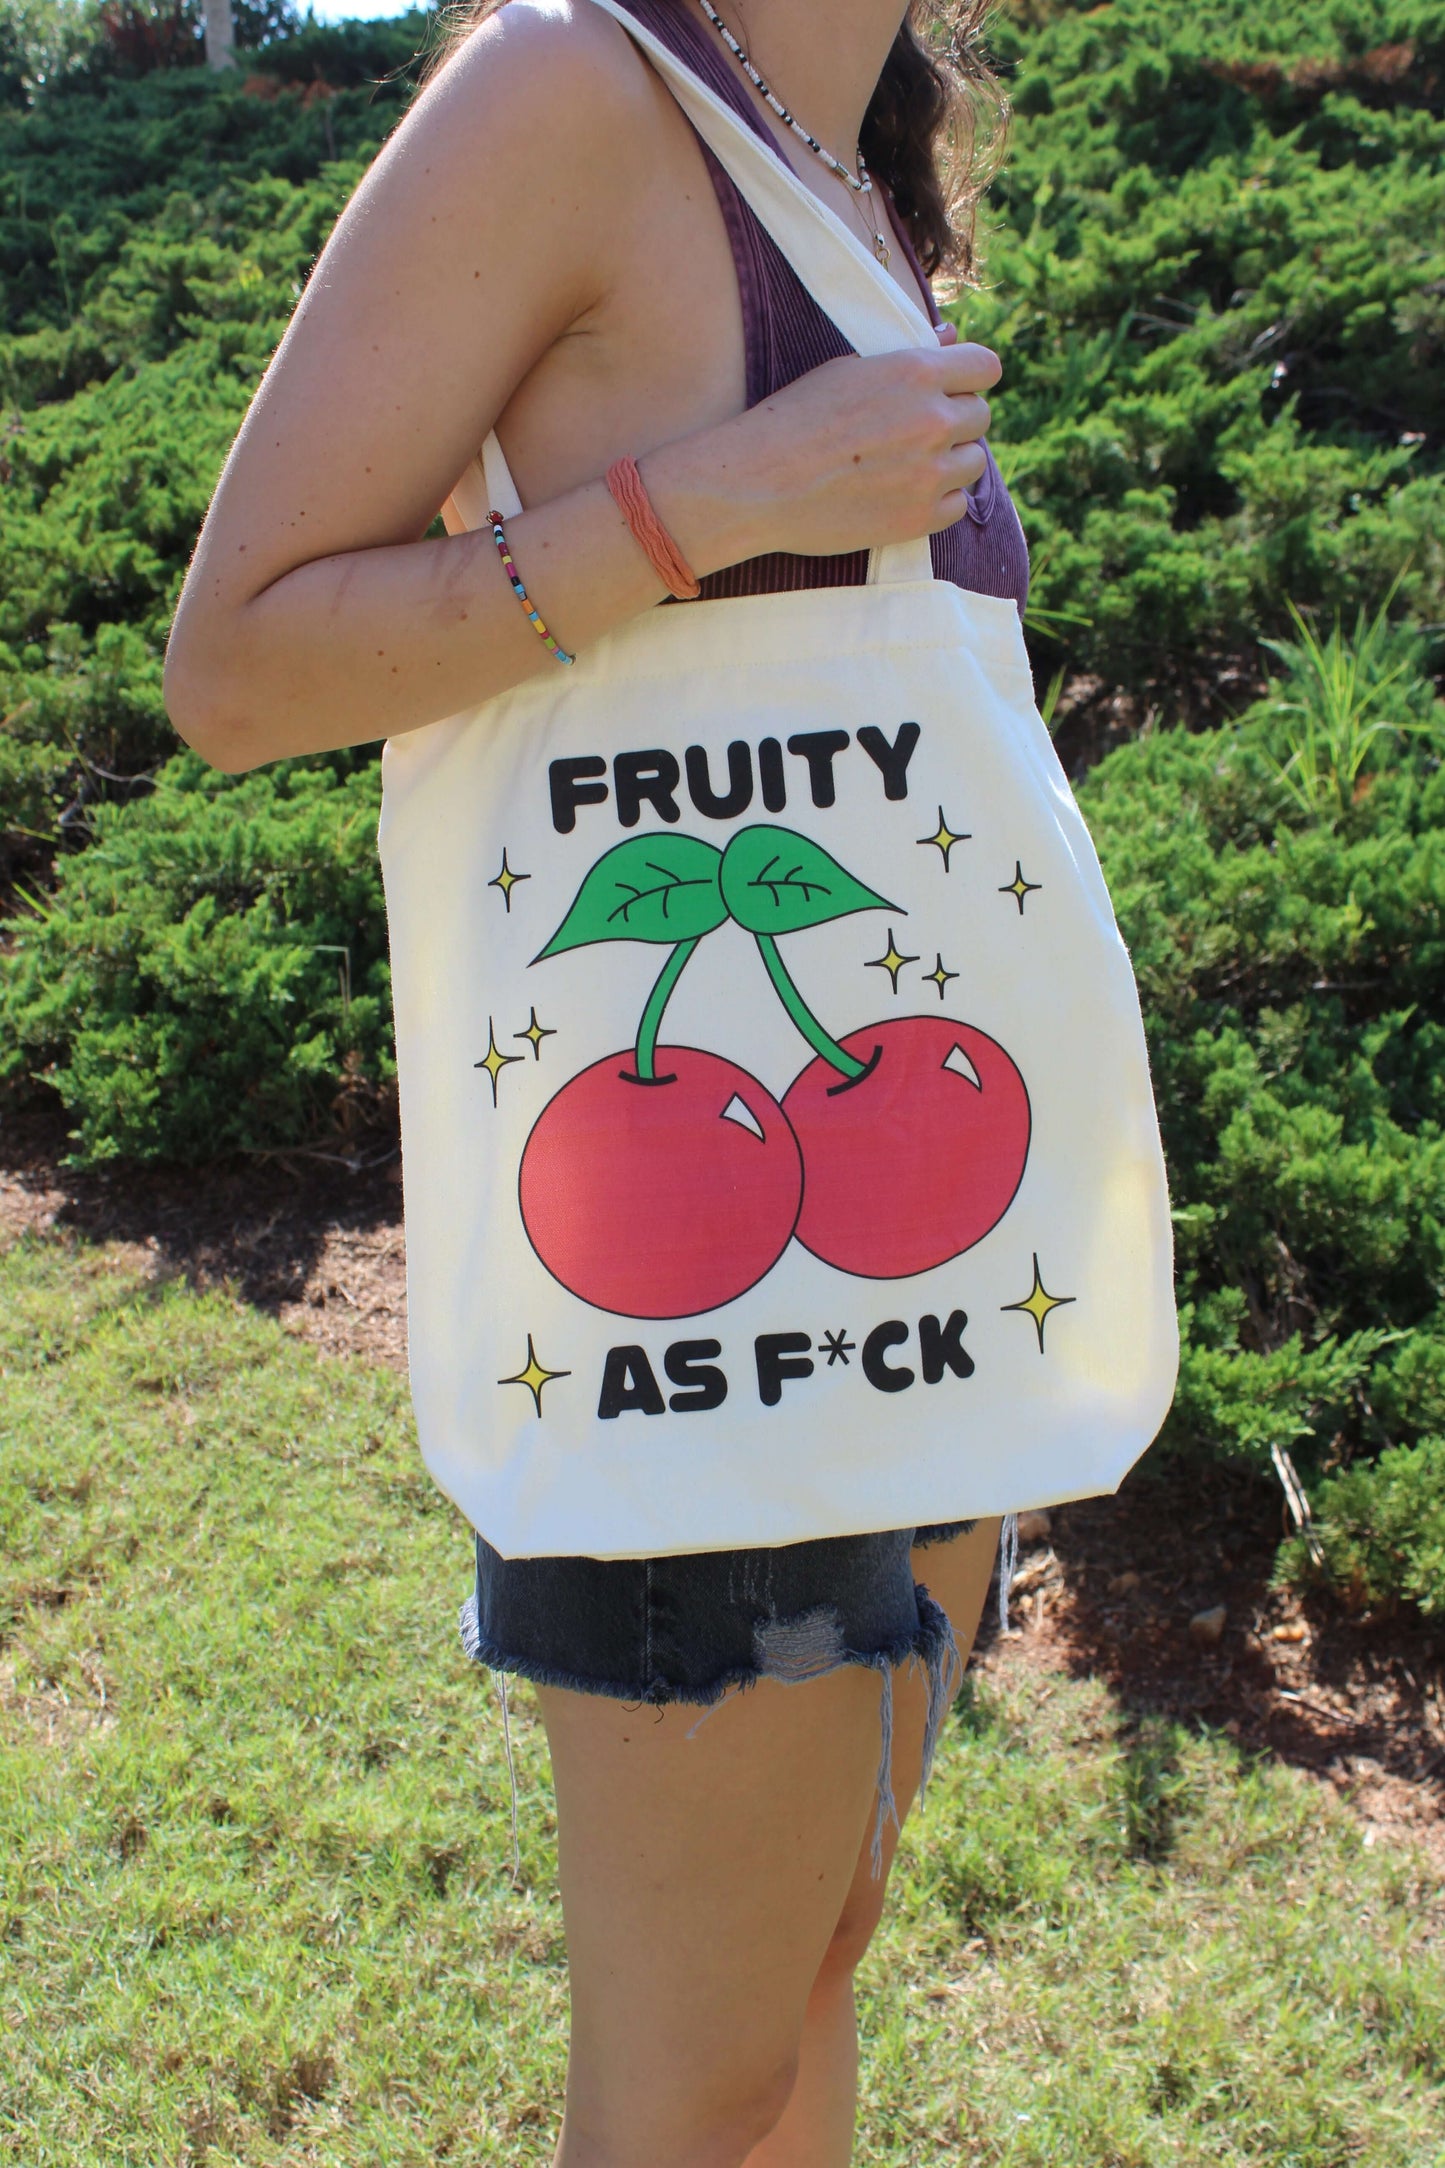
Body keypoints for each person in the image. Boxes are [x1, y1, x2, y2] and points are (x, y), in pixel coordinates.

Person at [164, 3, 1030, 2160]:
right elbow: (238, 658)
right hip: (690, 1286)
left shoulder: (836, 161)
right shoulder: (570, 88)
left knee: (814, 1966)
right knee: (683, 2096)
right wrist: (711, 501)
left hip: (906, 1253)